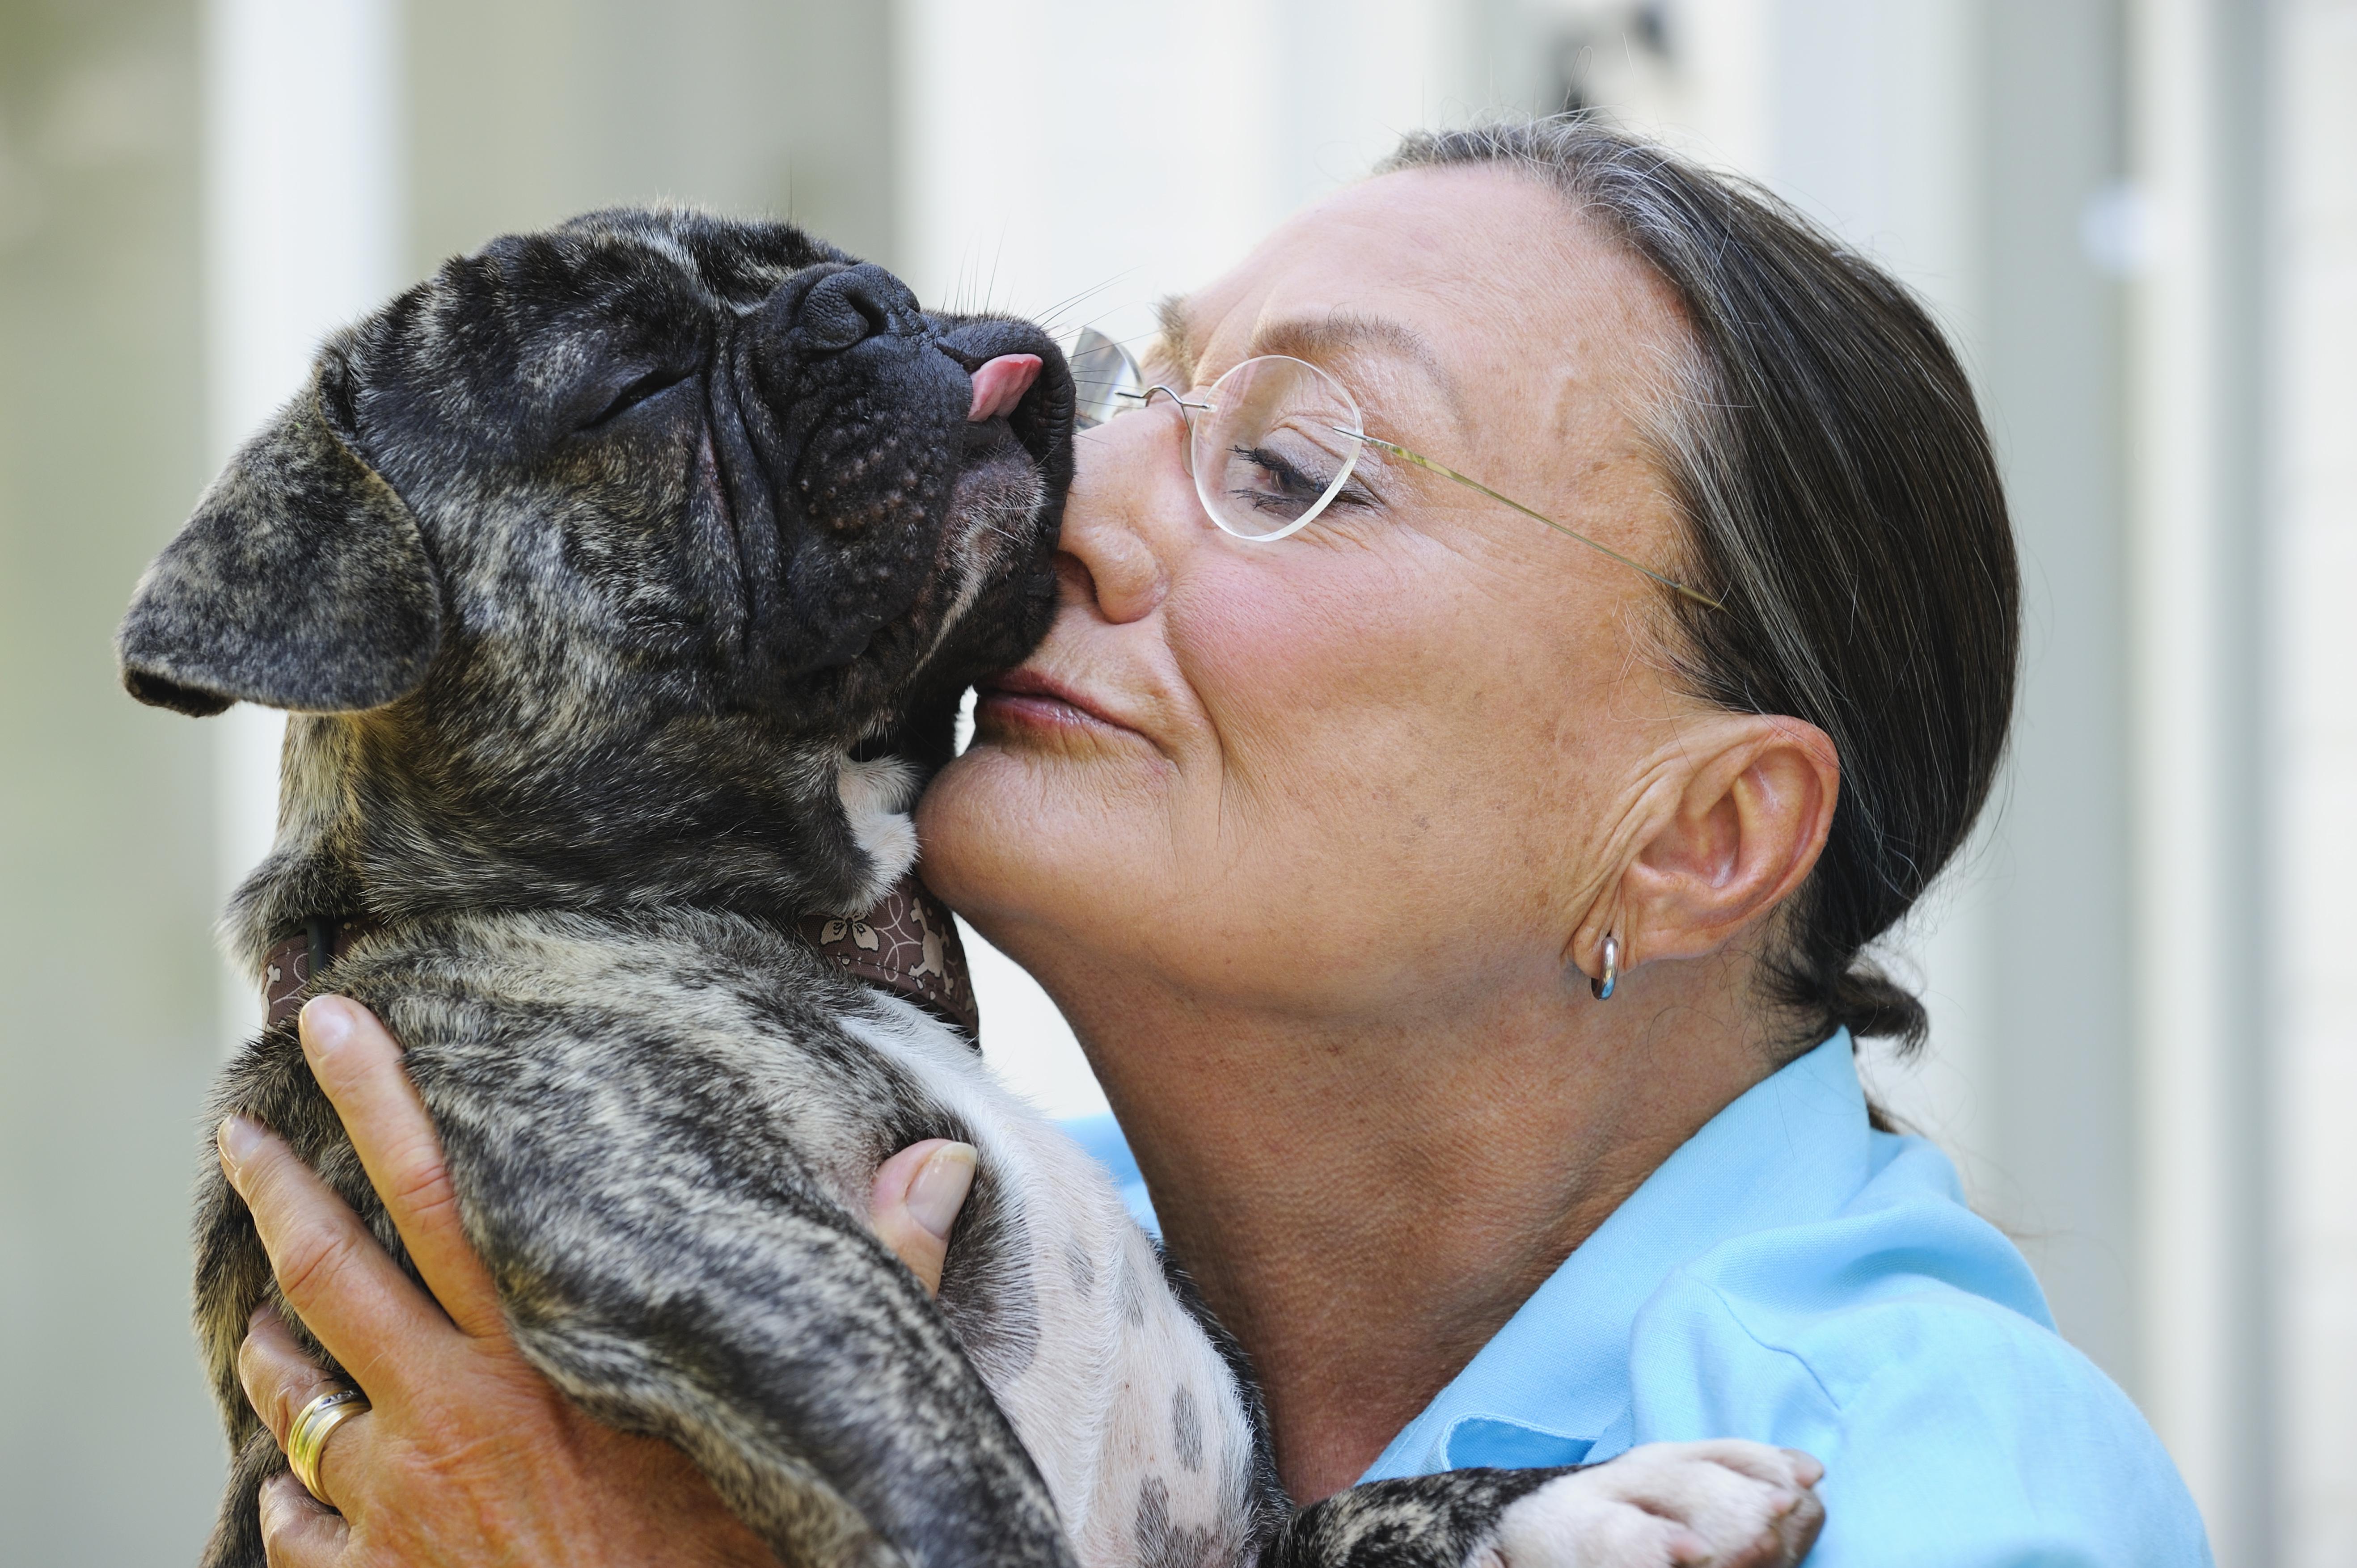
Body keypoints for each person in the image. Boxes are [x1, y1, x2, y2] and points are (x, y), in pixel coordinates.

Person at [211, 119, 2211, 1565]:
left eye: (1288, 468)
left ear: (1699, 835)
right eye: (1139, 394)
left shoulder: (1928, 1491)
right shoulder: (907, 1222)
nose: (1068, 497)